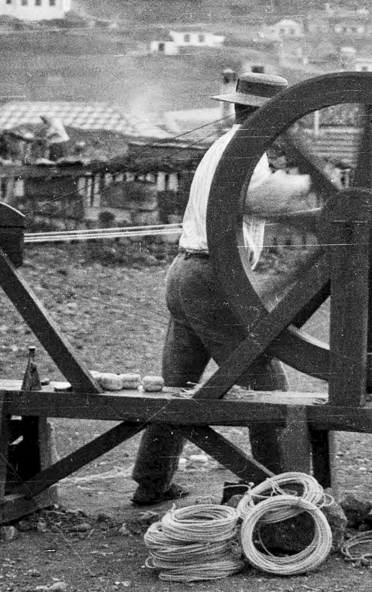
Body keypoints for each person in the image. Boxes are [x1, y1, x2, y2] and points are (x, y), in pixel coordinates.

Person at [130, 71, 311, 506]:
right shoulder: (243, 152)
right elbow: (258, 198)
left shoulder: (224, 146)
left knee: (177, 387)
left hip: (186, 273)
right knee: (266, 382)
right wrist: (313, 183)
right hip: (212, 279)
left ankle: (151, 482)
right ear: (272, 115)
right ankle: (280, 491)